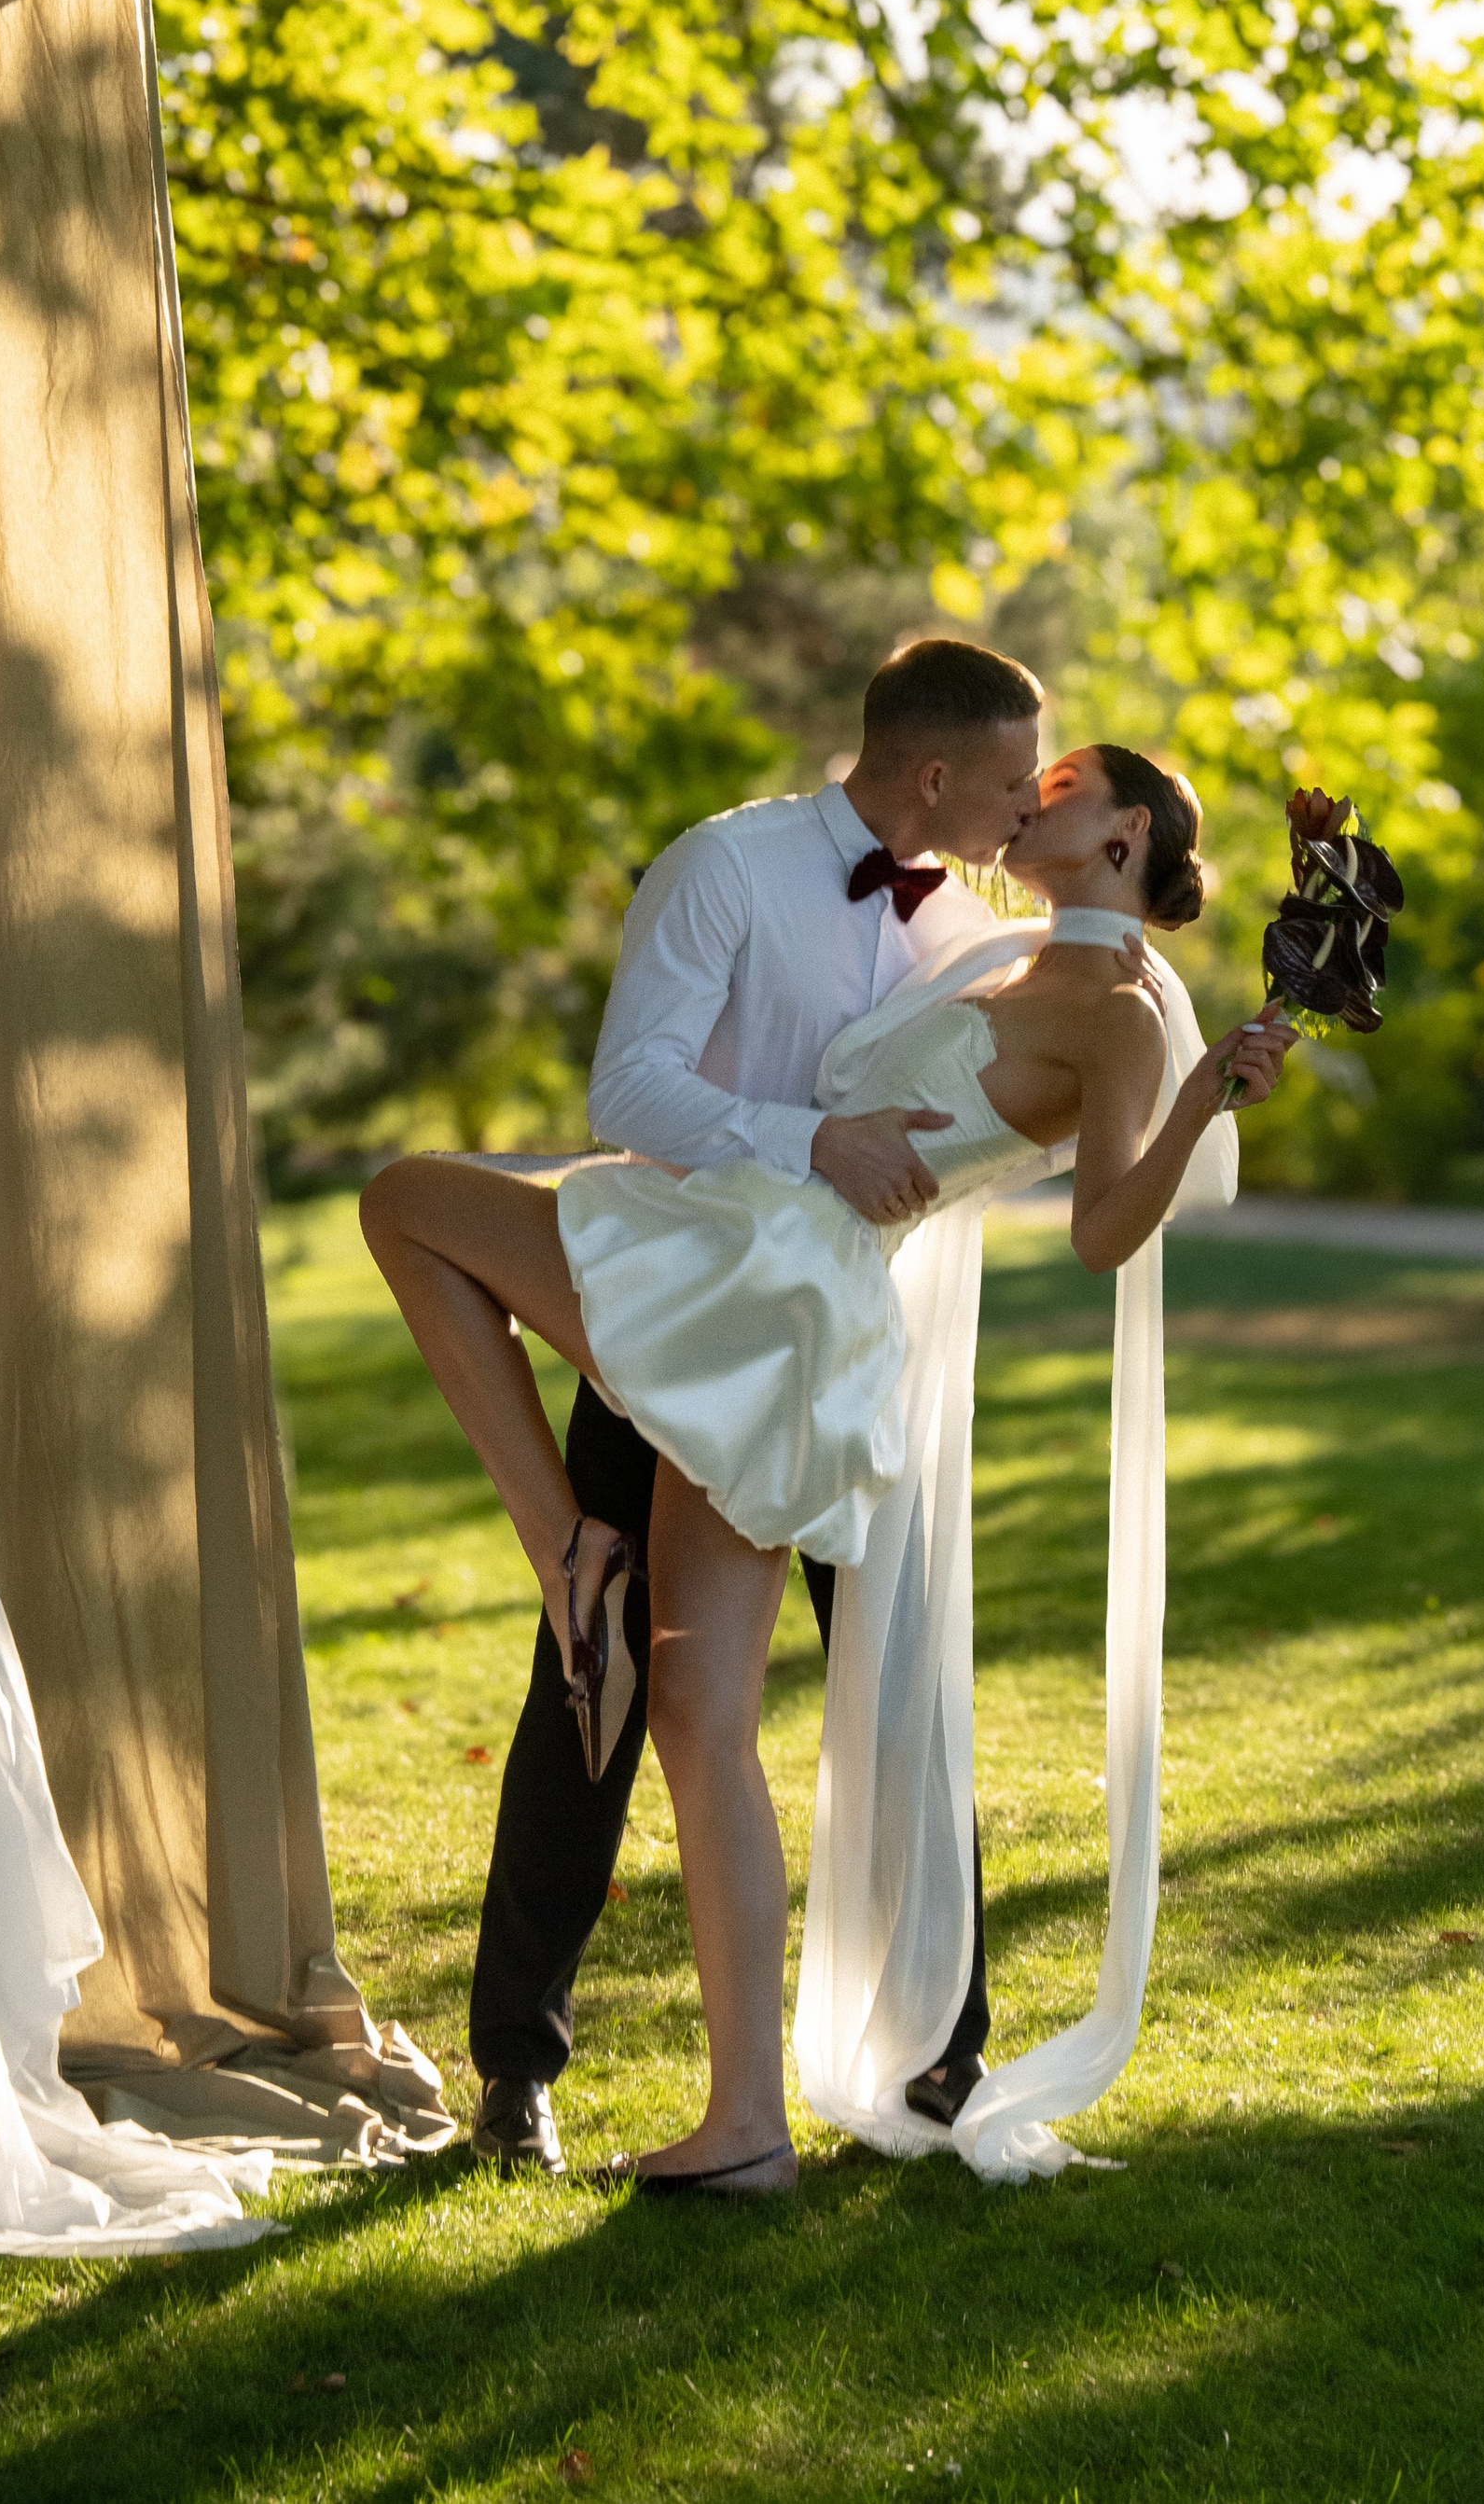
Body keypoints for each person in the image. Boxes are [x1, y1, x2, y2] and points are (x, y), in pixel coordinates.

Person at [362, 731, 1294, 2191]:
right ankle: (735, 2124)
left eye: (1064, 787)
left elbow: (1109, 1227)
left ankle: (572, 1556)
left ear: (1121, 842)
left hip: (781, 1301)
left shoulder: (1119, 1010)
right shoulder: (981, 943)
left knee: (413, 1203)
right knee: (686, 1699)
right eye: (1022, 776)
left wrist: (1202, 1091)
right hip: (750, 1257)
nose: (1032, 793)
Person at [446, 638, 1053, 2182]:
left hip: (854, 1360)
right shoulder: (724, 866)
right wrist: (808, 1141)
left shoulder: (982, 934)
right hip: (673, 1323)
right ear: (930, 773)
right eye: (1005, 776)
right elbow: (628, 1093)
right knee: (594, 1684)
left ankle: (941, 2051)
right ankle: (518, 2064)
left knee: (901, 1686)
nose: (1024, 800)